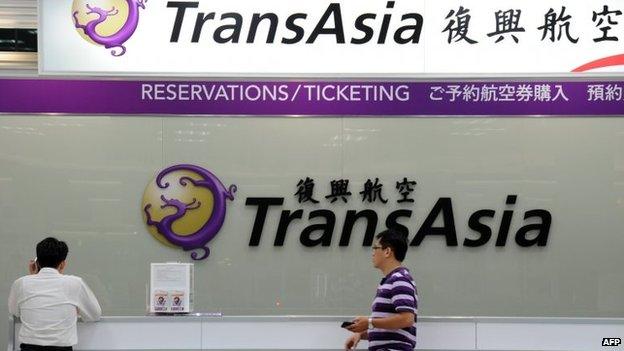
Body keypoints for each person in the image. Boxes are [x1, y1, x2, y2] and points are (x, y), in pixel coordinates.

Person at [8, 237, 102, 351]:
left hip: (29, 348)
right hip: (62, 348)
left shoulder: (21, 283)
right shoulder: (75, 283)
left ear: (36, 263)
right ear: (62, 264)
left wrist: (32, 277)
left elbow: (14, 311)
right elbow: (95, 314)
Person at [344, 229, 418, 351]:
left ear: (387, 251)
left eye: (375, 248)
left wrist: (369, 322)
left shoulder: (399, 279)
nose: (372, 253)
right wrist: (360, 334)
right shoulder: (390, 281)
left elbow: (407, 319)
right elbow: (389, 329)